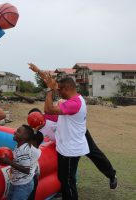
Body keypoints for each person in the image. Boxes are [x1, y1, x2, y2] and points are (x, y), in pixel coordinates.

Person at [29, 63, 89, 200]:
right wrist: (38, 71)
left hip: (70, 150)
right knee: (64, 178)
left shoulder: (74, 103)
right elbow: (54, 84)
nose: (58, 92)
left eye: (59, 90)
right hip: (67, 148)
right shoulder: (74, 98)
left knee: (68, 182)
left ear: (66, 89)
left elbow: (48, 109)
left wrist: (49, 91)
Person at [0, 125, 41, 200]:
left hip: (23, 185)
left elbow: (26, 170)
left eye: (18, 131)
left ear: (25, 136)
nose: (14, 132)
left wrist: (8, 162)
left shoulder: (24, 150)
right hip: (16, 182)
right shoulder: (19, 146)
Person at [28, 130, 44, 200]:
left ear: (33, 141)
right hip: (33, 177)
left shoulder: (31, 151)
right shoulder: (37, 150)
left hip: (29, 179)